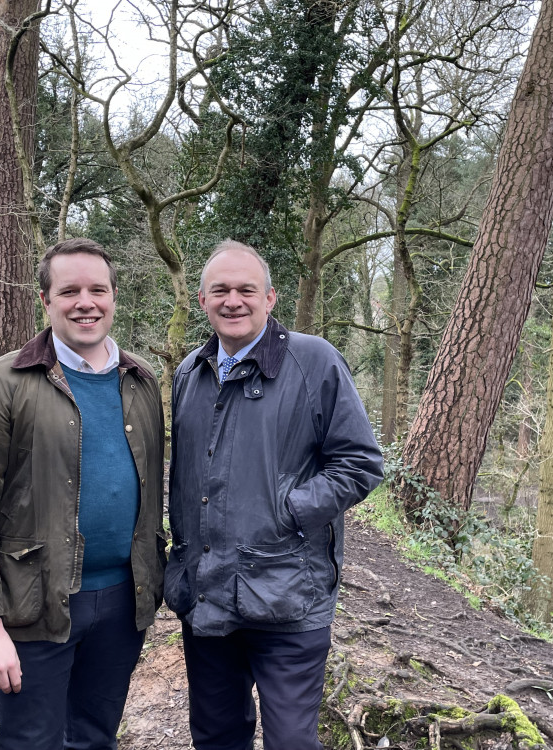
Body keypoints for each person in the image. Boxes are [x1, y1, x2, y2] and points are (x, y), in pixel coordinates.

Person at [0, 238, 166, 750]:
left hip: (122, 604)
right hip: (34, 604)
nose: (85, 302)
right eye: (69, 291)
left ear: (113, 297)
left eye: (97, 290)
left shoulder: (141, 381)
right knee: (31, 741)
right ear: (46, 301)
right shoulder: (4, 382)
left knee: (94, 738)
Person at [165, 239, 384, 750]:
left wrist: (287, 510)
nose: (233, 300)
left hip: (288, 595)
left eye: (247, 289)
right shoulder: (189, 374)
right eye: (220, 290)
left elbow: (360, 463)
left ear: (271, 298)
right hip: (207, 594)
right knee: (217, 736)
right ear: (202, 300)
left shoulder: (314, 362)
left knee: (290, 741)